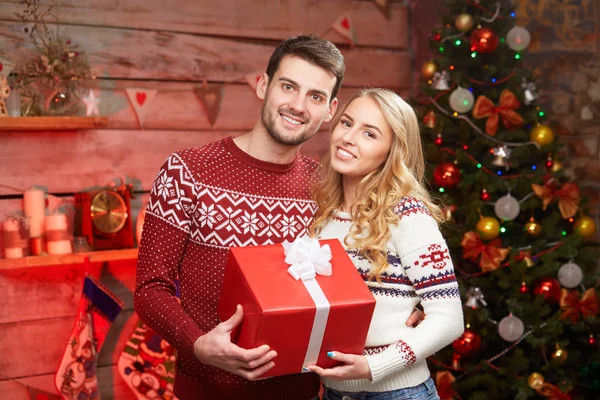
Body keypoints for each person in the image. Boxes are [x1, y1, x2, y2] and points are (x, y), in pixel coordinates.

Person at [135, 35, 422, 400]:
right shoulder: (188, 170)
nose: (298, 106)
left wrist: (414, 306)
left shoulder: (328, 186)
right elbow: (150, 290)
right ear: (263, 85)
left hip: (302, 392)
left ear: (330, 110)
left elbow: (378, 253)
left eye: (315, 96)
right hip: (206, 392)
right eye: (288, 86)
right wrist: (198, 345)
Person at [306, 88, 464, 400]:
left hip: (399, 393)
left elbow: (449, 319)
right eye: (347, 123)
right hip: (335, 394)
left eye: (369, 133)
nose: (349, 138)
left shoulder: (409, 218)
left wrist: (375, 365)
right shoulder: (322, 219)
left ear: (392, 150)